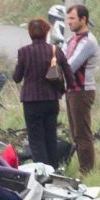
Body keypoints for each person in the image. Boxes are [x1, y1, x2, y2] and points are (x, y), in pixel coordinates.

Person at [11, 17, 64, 169]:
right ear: (46, 32)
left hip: (31, 101)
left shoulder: (24, 52)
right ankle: (53, 169)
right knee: (50, 137)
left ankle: (42, 171)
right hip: (51, 100)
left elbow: (16, 78)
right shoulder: (54, 50)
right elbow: (66, 72)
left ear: (30, 33)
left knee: (36, 139)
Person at [60, 3, 99, 175]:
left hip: (82, 91)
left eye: (72, 18)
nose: (69, 22)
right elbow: (59, 58)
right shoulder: (71, 39)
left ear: (83, 19)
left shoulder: (88, 41)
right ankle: (83, 167)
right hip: (72, 90)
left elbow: (70, 65)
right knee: (75, 132)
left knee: (82, 132)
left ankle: (86, 169)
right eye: (68, 18)